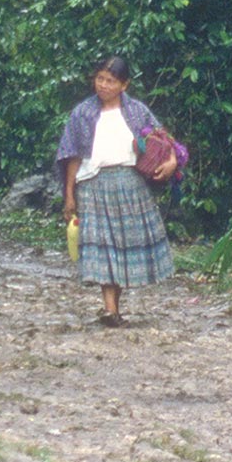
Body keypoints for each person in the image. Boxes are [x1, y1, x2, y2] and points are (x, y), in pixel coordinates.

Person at [54, 55, 175, 326]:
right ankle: (109, 308)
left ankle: (114, 308)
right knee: (105, 245)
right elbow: (72, 155)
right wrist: (69, 194)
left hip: (130, 184)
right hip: (93, 185)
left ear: (124, 84)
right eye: (99, 79)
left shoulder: (137, 112)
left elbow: (163, 139)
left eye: (110, 81)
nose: (103, 85)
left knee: (122, 245)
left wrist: (172, 162)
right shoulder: (83, 114)